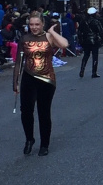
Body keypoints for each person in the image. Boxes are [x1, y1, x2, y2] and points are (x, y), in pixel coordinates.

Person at [14, 11, 69, 156]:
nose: (34, 27)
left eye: (37, 24)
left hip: (46, 79)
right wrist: (16, 82)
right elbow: (19, 62)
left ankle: (45, 144)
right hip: (28, 76)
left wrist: (52, 31)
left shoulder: (49, 37)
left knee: (43, 112)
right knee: (26, 111)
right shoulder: (24, 39)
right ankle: (29, 139)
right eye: (31, 24)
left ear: (42, 24)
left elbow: (65, 44)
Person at [78, 7, 103, 78]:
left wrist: (81, 41)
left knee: (86, 56)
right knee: (95, 57)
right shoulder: (96, 22)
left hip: (86, 41)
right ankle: (94, 72)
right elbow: (101, 32)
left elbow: (79, 32)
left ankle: (82, 70)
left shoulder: (83, 21)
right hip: (94, 40)